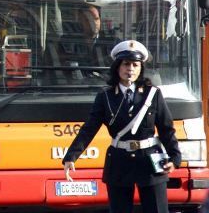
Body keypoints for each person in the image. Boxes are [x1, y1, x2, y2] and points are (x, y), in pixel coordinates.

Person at [62, 40, 181, 213]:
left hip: (150, 161)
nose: (130, 69)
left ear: (141, 68)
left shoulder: (152, 94)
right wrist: (71, 157)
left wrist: (175, 158)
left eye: (135, 64)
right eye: (126, 64)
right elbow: (89, 128)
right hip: (119, 161)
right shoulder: (105, 96)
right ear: (117, 67)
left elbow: (166, 128)